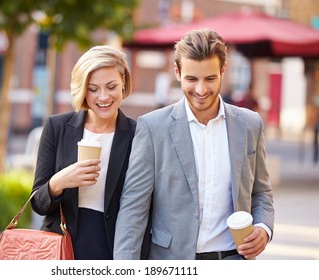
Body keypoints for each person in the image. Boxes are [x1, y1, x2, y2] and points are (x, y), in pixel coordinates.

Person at [114, 28, 274, 260]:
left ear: (223, 70)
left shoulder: (250, 124)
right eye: (191, 79)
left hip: (232, 260)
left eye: (210, 78)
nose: (200, 90)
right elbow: (132, 209)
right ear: (177, 72)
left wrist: (263, 228)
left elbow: (261, 192)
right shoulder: (152, 128)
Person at [30, 45, 149, 260]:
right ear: (83, 89)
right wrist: (59, 182)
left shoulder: (139, 134)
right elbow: (38, 203)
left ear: (123, 81)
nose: (103, 97)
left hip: (115, 250)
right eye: (93, 89)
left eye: (111, 86)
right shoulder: (57, 127)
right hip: (61, 248)